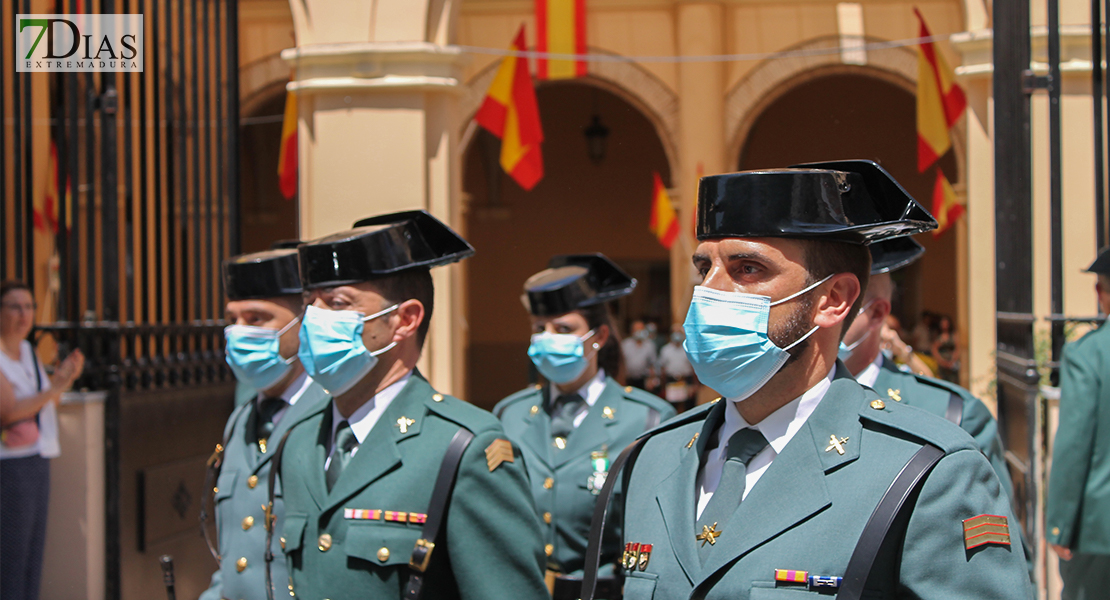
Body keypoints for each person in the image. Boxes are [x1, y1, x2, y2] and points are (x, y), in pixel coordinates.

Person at [603, 161, 1032, 600]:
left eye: (747, 268)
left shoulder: (926, 472)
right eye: (704, 269)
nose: (710, 291)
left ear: (833, 299)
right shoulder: (652, 457)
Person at [274, 210, 550, 600]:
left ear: (405, 319)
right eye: (310, 305)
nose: (314, 321)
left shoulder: (463, 448)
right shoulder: (299, 440)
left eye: (337, 303)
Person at [494, 254, 675, 599]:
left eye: (563, 329)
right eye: (539, 329)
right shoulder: (510, 414)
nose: (548, 338)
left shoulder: (648, 418)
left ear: (599, 336)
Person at [839, 237, 1027, 567]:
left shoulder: (950, 413)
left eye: (837, 301)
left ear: (877, 312)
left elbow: (995, 565)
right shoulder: (753, 409)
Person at [199, 246, 329, 600]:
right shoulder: (241, 418)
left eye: (257, 319)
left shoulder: (334, 417)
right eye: (233, 318)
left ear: (303, 325)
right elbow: (237, 555)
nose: (239, 332)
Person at [0, 280, 84, 600]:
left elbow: (47, 400)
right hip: (10, 465)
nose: (24, 314)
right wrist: (54, 387)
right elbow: (8, 412)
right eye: (15, 307)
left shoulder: (27, 351)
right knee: (12, 555)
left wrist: (62, 380)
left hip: (38, 456)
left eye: (29, 307)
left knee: (33, 554)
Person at [1046, 246, 1110, 599]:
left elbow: (1074, 443)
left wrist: (1059, 525)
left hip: (1100, 529)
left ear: (1100, 293)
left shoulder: (1089, 353)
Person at [658, 325, 697, 411]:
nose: (677, 335)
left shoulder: (688, 349)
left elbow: (693, 368)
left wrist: (694, 385)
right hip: (671, 381)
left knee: (689, 408)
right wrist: (663, 386)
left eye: (679, 333)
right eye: (674, 333)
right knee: (672, 408)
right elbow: (662, 370)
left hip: (686, 380)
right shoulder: (665, 350)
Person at [621, 320, 657, 390]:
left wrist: (652, 380)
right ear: (632, 331)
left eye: (641, 330)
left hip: (643, 380)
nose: (639, 332)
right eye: (637, 330)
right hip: (629, 380)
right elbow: (621, 363)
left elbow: (653, 364)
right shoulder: (625, 345)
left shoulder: (649, 345)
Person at [931, 314, 961, 384]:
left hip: (951, 363)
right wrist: (941, 361)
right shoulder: (938, 336)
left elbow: (957, 348)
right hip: (942, 363)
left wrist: (952, 361)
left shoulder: (953, 335)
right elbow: (934, 349)